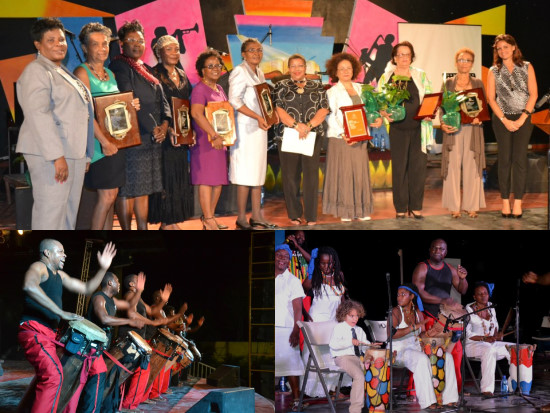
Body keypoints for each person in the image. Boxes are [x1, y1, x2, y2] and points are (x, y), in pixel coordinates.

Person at [17, 239, 116, 412]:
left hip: (49, 334)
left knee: (60, 374)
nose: (65, 255)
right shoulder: (39, 267)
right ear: (47, 253)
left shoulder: (60, 276)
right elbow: (29, 285)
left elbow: (87, 288)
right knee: (53, 376)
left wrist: (103, 269)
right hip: (34, 330)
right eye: (60, 252)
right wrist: (61, 313)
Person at [16, 18, 94, 229]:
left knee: (68, 214)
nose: (59, 44)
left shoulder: (59, 70)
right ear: (38, 44)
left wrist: (84, 154)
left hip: (71, 153)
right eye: (51, 40)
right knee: (50, 214)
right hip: (50, 155)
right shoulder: (37, 70)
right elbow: (39, 115)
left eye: (61, 39)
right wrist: (57, 156)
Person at [75, 23, 139, 230]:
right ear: (85, 48)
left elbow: (115, 107)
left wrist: (131, 106)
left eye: (105, 44)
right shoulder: (82, 72)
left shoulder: (110, 73)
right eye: (95, 44)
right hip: (99, 145)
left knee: (111, 196)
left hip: (115, 142)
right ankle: (94, 241)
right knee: (107, 196)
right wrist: (104, 142)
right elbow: (85, 113)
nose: (102, 48)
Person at [109, 20, 171, 230]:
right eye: (131, 40)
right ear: (122, 44)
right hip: (134, 136)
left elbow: (163, 100)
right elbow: (129, 98)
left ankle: (143, 229)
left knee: (144, 188)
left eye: (140, 40)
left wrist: (164, 125)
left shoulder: (146, 69)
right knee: (129, 189)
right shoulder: (119, 65)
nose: (137, 44)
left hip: (152, 137)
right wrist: (152, 127)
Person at [75, 272, 146, 413]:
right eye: (117, 281)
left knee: (101, 378)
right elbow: (104, 318)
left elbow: (130, 305)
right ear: (109, 283)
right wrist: (129, 321)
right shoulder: (99, 297)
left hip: (100, 348)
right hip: (90, 347)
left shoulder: (112, 301)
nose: (119, 284)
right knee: (98, 376)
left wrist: (139, 291)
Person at [377, 41, 433, 219]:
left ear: (411, 57)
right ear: (394, 58)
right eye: (400, 54)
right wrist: (383, 112)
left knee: (418, 169)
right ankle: (400, 207)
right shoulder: (386, 77)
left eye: (407, 54)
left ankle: (416, 206)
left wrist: (429, 112)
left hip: (419, 129)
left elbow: (430, 97)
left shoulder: (420, 75)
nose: (403, 58)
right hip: (397, 129)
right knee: (399, 169)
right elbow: (378, 102)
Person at [323, 52, 382, 222]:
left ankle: (362, 210)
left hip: (360, 137)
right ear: (335, 72)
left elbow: (370, 110)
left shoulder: (362, 89)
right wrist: (343, 133)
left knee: (359, 173)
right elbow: (329, 116)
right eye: (341, 69)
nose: (345, 71)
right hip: (341, 139)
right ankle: (345, 211)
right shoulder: (332, 92)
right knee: (344, 173)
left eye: (348, 68)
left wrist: (376, 118)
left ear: (354, 70)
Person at [274, 54, 330, 226]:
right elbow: (278, 109)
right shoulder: (281, 86)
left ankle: (311, 215)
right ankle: (294, 213)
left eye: (300, 66)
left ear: (305, 68)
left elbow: (324, 109)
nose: (297, 69)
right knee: (290, 177)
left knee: (311, 176)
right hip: (288, 135)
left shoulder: (317, 86)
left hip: (312, 135)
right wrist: (297, 125)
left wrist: (308, 126)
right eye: (293, 66)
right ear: (288, 69)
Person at [487, 34, 538, 219]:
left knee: (519, 160)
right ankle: (504, 202)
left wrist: (523, 118)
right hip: (502, 120)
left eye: (506, 47)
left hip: (523, 118)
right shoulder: (493, 70)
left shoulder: (527, 66)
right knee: (504, 160)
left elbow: (533, 94)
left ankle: (517, 202)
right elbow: (491, 99)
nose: (502, 51)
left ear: (514, 47)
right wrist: (505, 120)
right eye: (499, 48)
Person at [228, 38, 276, 230]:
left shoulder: (259, 72)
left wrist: (269, 116)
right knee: (244, 174)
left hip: (259, 128)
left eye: (259, 50)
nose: (256, 53)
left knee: (257, 173)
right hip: (245, 129)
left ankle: (257, 216)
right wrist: (257, 116)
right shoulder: (239, 71)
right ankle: (241, 218)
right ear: (243, 54)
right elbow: (234, 100)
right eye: (252, 50)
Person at [149, 35, 195, 230]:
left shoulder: (182, 74)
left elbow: (187, 106)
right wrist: (166, 129)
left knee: (178, 177)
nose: (175, 53)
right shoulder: (153, 74)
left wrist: (190, 131)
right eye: (169, 49)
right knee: (166, 177)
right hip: (164, 135)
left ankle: (172, 220)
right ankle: (166, 222)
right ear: (159, 53)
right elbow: (153, 106)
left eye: (176, 49)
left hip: (181, 135)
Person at [412, 238, 468, 391]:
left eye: (441, 249)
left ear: (446, 252)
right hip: (428, 315)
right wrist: (441, 299)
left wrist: (462, 279)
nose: (438, 251)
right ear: (430, 250)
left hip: (446, 317)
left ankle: (454, 388)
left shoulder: (450, 269)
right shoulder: (422, 267)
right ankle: (424, 389)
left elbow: (462, 289)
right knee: (430, 352)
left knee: (456, 351)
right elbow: (419, 293)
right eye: (435, 248)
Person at [390, 284, 458, 409]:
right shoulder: (395, 312)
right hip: (399, 351)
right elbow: (391, 334)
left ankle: (449, 398)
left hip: (416, 348)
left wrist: (428, 333)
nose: (399, 297)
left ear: (412, 296)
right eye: (398, 294)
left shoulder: (418, 314)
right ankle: (428, 402)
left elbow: (421, 334)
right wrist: (413, 327)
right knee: (421, 359)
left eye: (403, 294)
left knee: (446, 357)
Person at [440, 48, 486, 219]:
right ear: (456, 63)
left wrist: (480, 118)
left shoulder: (478, 83)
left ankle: (471, 206)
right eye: (461, 60)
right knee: (452, 166)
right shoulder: (448, 84)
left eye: (467, 60)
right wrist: (443, 123)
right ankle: (454, 207)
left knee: (472, 166)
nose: (464, 63)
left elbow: (483, 107)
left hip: (473, 130)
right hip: (453, 130)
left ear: (472, 63)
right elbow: (442, 107)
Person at [301, 246, 350, 397]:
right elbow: (300, 292)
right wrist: (305, 314)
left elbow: (342, 298)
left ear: (334, 262)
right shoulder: (315, 277)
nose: (326, 266)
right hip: (318, 322)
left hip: (334, 320)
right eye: (323, 263)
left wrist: (345, 315)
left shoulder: (339, 275)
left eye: (329, 263)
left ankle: (333, 388)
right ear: (318, 263)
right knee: (318, 356)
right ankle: (314, 390)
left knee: (333, 355)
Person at [189, 50, 229, 230]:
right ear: (202, 70)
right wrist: (213, 134)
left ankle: (209, 217)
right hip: (206, 141)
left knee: (218, 181)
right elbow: (196, 114)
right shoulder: (199, 89)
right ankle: (208, 218)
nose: (215, 69)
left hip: (220, 140)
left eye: (218, 65)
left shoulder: (219, 88)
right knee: (206, 181)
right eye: (210, 66)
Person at [465, 282, 511, 396]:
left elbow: (495, 327)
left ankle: (516, 384)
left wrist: (497, 335)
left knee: (515, 348)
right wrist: (485, 338)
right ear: (474, 297)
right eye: (480, 294)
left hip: (490, 344)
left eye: (485, 293)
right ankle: (487, 389)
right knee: (489, 350)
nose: (483, 296)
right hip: (472, 345)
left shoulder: (491, 307)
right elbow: (467, 334)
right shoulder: (469, 310)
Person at [275, 244, 306, 412]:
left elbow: (298, 308)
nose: (282, 258)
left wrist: (296, 330)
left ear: (289, 261)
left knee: (291, 366)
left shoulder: (293, 281)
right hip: (268, 328)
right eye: (279, 255)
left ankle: (296, 399)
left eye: (286, 256)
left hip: (286, 328)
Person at [329, 300, 372, 413]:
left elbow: (364, 346)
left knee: (374, 373)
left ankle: (375, 404)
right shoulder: (339, 328)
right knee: (359, 376)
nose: (355, 319)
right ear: (344, 315)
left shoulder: (359, 330)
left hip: (357, 358)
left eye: (357, 316)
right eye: (351, 316)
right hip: (342, 357)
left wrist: (369, 348)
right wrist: (350, 341)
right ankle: (355, 410)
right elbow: (333, 345)